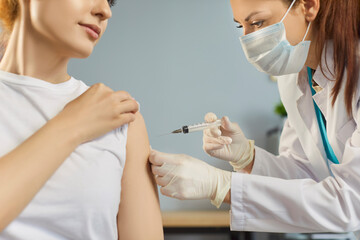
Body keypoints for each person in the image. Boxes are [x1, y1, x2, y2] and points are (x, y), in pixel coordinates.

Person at [150, 0, 360, 234]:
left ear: (309, 6)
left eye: (258, 23)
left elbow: (351, 202)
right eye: (241, 27)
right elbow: (308, 176)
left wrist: (222, 186)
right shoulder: (294, 77)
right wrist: (248, 159)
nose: (249, 41)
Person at [0, 0, 164, 239]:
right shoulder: (100, 114)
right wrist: (73, 124)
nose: (104, 11)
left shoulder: (121, 118)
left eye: (110, 1)